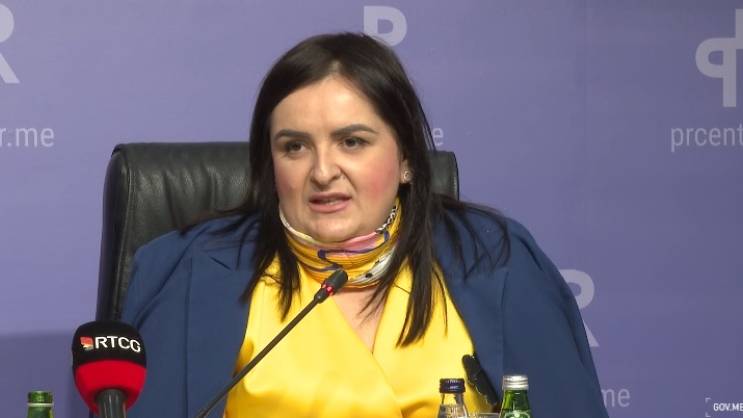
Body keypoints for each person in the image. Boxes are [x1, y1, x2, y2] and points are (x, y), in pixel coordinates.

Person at [121, 32, 608, 418]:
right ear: (270, 165)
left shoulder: (496, 259)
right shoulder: (191, 271)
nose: (322, 171)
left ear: (407, 160)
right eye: (294, 146)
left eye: (352, 142)